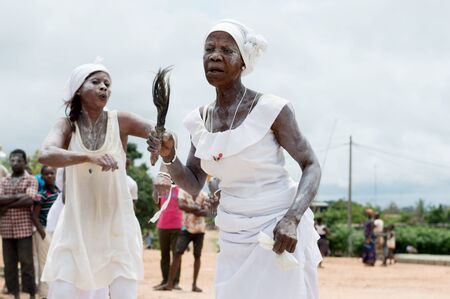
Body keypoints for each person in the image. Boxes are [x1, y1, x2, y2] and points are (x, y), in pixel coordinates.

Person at [148, 19, 322, 298]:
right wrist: (169, 155)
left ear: (243, 62)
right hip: (233, 234)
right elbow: (193, 183)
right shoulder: (200, 120)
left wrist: (293, 218)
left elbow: (311, 165)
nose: (215, 55)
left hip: (277, 228)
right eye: (209, 49)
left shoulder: (271, 110)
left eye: (226, 50)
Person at [38, 60, 156, 299]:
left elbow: (161, 134)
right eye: (96, 82)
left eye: (107, 84)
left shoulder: (120, 120)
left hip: (116, 224)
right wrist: (89, 156)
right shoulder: (67, 126)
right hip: (78, 224)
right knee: (66, 287)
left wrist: (161, 145)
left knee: (123, 289)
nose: (104, 87)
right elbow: (46, 154)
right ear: (79, 90)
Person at [0, 149, 38, 299]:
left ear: (25, 162)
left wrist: (6, 205)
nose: (15, 163)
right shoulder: (3, 180)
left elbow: (30, 200)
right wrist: (19, 197)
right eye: (13, 160)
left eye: (19, 160)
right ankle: (14, 294)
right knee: (10, 265)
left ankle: (31, 294)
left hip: (24, 230)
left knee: (27, 264)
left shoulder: (31, 179)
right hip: (6, 230)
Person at [158, 189, 209, 292]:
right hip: (185, 228)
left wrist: (189, 209)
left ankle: (194, 285)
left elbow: (206, 212)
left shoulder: (204, 194)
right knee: (177, 254)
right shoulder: (183, 192)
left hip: (200, 229)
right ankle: (170, 283)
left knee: (197, 256)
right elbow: (181, 206)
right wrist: (198, 208)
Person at [31, 166, 60, 298]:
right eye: (46, 174)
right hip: (44, 232)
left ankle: (54, 293)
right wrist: (43, 234)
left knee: (57, 263)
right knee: (45, 263)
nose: (49, 176)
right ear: (42, 178)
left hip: (58, 232)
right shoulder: (41, 195)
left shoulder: (60, 193)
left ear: (56, 174)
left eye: (51, 173)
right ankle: (44, 294)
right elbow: (34, 216)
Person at [152, 172, 183, 290]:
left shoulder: (181, 189)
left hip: (177, 225)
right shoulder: (162, 190)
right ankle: (165, 280)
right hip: (163, 225)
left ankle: (175, 282)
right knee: (164, 255)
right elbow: (157, 203)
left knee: (176, 255)